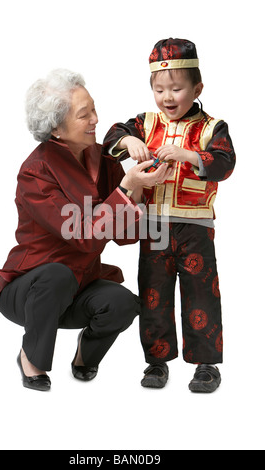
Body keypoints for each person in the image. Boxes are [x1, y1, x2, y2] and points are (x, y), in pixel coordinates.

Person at [0, 68, 171, 392]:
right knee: (56, 275)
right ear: (56, 127)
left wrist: (139, 188)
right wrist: (127, 186)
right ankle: (30, 358)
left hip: (78, 285)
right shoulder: (36, 173)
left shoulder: (102, 158)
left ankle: (84, 359)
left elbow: (125, 235)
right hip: (31, 290)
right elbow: (83, 235)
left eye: (94, 109)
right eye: (83, 114)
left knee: (123, 303)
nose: (96, 119)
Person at [103, 38, 236, 393]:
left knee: (201, 293)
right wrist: (129, 142)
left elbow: (225, 163)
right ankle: (157, 362)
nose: (167, 97)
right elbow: (111, 137)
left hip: (195, 226)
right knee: (153, 292)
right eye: (160, 89)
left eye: (177, 89)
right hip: (153, 226)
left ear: (197, 88)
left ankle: (206, 364)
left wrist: (190, 155)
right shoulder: (145, 123)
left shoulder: (211, 127)